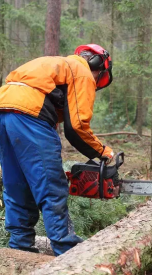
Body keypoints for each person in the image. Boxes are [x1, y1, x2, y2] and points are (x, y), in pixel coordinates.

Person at [0, 44, 114, 256]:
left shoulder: (57, 65)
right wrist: (103, 152)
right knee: (51, 185)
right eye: (99, 77)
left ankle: (19, 249)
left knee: (17, 184)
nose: (95, 82)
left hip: (3, 110)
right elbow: (77, 127)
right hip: (29, 117)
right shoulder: (81, 71)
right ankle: (67, 250)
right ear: (98, 66)